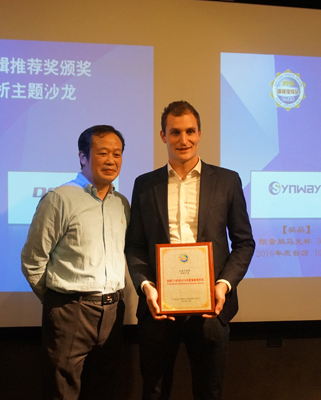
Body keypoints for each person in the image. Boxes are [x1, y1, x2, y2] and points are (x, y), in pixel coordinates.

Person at [125, 101, 255, 400]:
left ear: (199, 133)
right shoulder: (145, 185)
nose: (183, 140)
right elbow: (134, 246)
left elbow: (244, 242)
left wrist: (224, 285)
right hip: (159, 308)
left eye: (190, 131)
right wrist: (146, 286)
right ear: (163, 136)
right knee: (154, 391)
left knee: (209, 392)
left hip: (211, 308)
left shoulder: (227, 181)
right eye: (175, 132)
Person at [21, 125, 129, 400]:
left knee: (104, 390)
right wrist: (58, 302)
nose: (111, 160)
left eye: (117, 154)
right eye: (102, 153)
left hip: (113, 311)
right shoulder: (60, 199)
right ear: (83, 156)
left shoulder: (121, 203)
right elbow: (33, 260)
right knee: (63, 392)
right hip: (70, 309)